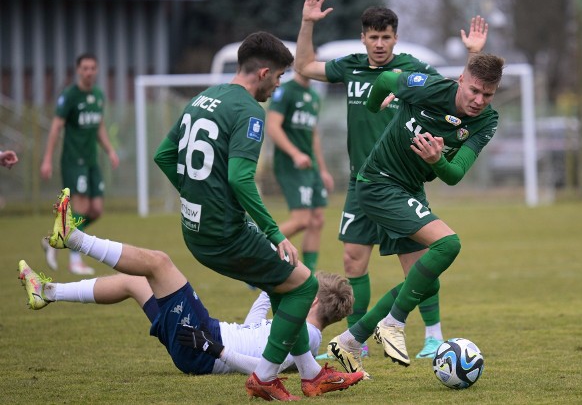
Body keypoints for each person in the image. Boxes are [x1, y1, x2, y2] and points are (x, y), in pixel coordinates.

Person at [152, 31, 363, 400]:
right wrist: (274, 232)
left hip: (195, 227)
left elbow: (164, 156)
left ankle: (311, 372)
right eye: (279, 77)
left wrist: (195, 196)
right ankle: (265, 376)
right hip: (224, 231)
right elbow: (239, 177)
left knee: (285, 284)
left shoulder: (204, 97)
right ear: (264, 72)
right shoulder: (249, 110)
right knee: (307, 285)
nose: (278, 85)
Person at [295, 0, 489, 360]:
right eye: (373, 37)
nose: (380, 44)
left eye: (386, 37)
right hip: (360, 182)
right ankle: (359, 341)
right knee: (353, 259)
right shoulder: (350, 66)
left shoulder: (412, 70)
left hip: (402, 181)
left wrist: (474, 54)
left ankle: (433, 337)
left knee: (416, 264)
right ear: (363, 38)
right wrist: (307, 23)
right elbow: (303, 66)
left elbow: (460, 92)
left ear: (395, 38)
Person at [18, 192, 354, 377]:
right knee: (134, 282)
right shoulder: (291, 326)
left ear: (312, 302)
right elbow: (254, 330)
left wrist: (216, 348)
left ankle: (74, 238)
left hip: (205, 345)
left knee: (159, 263)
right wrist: (272, 286)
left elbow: (265, 368)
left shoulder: (308, 338)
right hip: (202, 342)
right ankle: (46, 292)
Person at [326, 52, 505, 373]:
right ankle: (392, 323)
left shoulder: (487, 121)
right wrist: (372, 107)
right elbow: (383, 79)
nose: (479, 100)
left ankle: (351, 339)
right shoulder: (427, 87)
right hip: (377, 183)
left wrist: (438, 161)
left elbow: (454, 175)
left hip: (408, 190)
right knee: (448, 244)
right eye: (474, 91)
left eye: (487, 95)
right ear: (460, 80)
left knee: (426, 281)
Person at [40, 53, 120, 275]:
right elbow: (56, 128)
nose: (89, 72)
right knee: (81, 208)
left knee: (96, 210)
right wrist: (47, 159)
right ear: (78, 70)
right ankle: (75, 261)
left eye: (93, 68)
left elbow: (100, 127)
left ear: (97, 70)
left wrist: (110, 150)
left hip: (92, 162)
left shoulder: (98, 95)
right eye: (85, 68)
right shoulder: (69, 96)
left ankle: (54, 239)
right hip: (74, 162)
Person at [266, 69, 334, 274]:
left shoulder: (314, 96)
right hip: (291, 165)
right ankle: (254, 258)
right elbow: (272, 126)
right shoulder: (285, 91)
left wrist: (323, 169)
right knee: (301, 221)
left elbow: (313, 136)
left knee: (317, 220)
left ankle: (310, 273)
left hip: (310, 166)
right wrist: (295, 154)